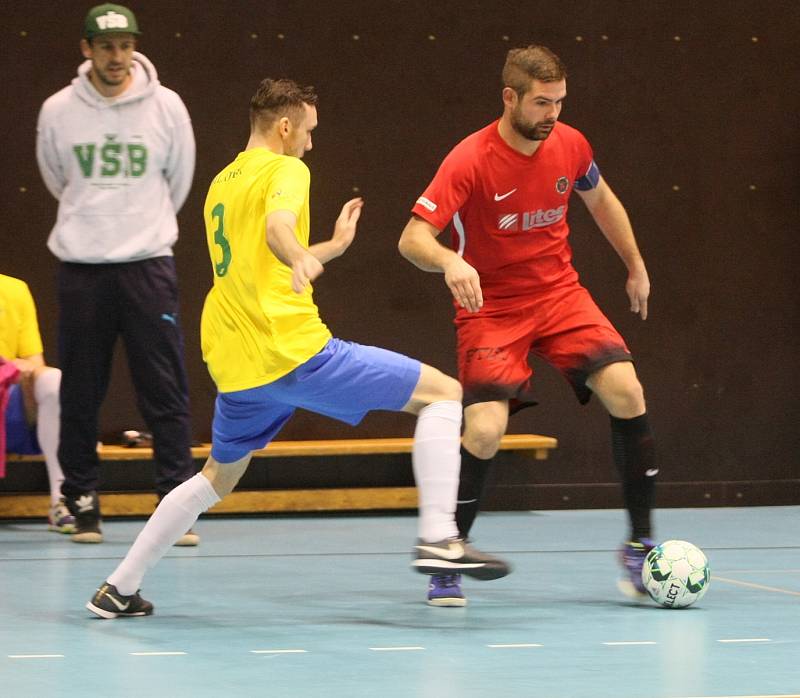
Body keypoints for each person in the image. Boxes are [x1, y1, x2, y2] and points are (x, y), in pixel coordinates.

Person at [84, 77, 510, 619]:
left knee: (218, 475)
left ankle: (118, 587)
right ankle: (438, 537)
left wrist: (326, 248)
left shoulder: (223, 180)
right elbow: (277, 231)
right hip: (293, 350)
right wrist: (299, 254)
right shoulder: (288, 169)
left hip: (238, 361)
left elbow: (258, 257)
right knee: (446, 395)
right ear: (285, 127)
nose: (310, 143)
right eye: (307, 131)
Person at [399, 45, 657, 606]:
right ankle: (451, 551)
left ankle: (640, 546)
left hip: (560, 295)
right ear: (510, 97)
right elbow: (412, 238)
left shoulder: (570, 144)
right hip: (492, 307)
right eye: (542, 103)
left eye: (560, 102)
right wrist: (451, 260)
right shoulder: (469, 159)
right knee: (487, 429)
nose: (552, 114)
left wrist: (634, 264)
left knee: (627, 391)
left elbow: (603, 201)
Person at [35, 4, 198, 545]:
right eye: (104, 46)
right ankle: (80, 502)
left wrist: (138, 229)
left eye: (124, 45)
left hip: (148, 266)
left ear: (135, 47)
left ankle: (175, 505)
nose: (115, 56)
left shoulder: (167, 106)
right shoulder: (58, 110)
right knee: (81, 389)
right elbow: (58, 178)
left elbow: (179, 180)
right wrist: (97, 226)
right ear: (86, 49)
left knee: (165, 388)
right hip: (83, 270)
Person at [0, 274, 74, 532]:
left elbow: (35, 362)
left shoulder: (14, 289)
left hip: (7, 400)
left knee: (52, 379)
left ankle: (60, 499)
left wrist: (17, 366)